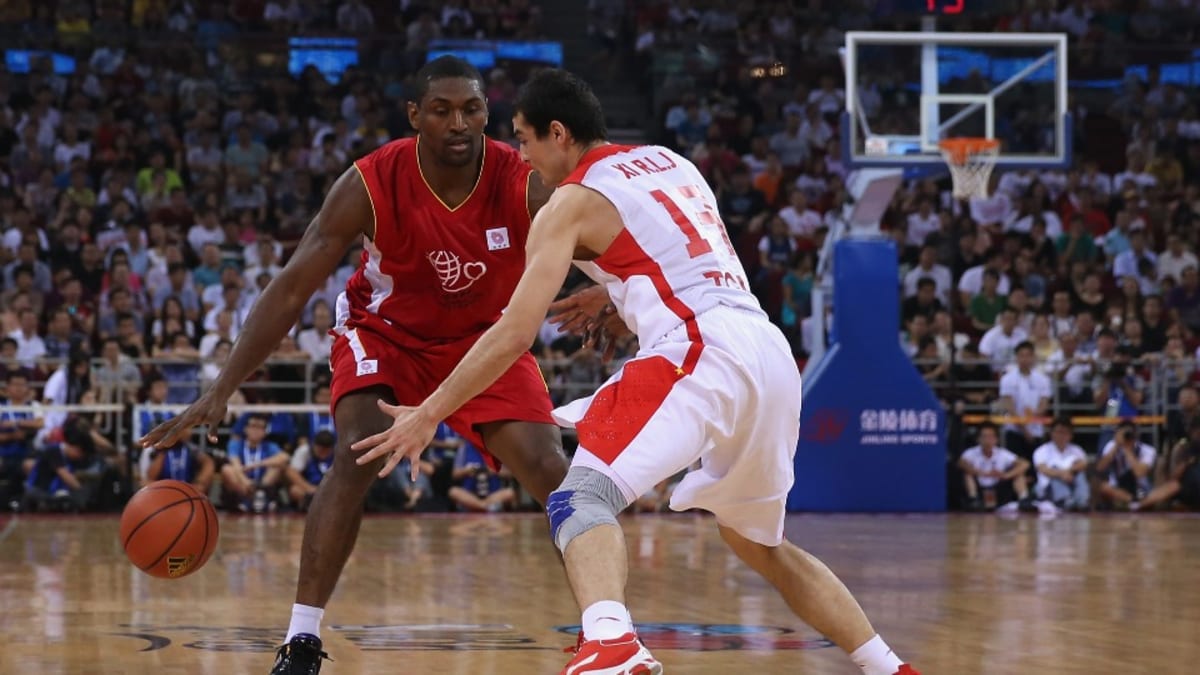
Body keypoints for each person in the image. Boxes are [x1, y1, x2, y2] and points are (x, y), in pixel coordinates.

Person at [351, 69, 918, 675]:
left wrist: (427, 413)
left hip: (701, 351)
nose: (519, 154)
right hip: (768, 354)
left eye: (523, 138)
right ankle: (887, 665)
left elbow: (514, 333)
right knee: (759, 543)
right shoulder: (669, 160)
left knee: (578, 496)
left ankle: (613, 643)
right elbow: (676, 251)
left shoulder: (567, 204)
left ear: (559, 133)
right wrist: (615, 296)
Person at [139, 56, 570, 674]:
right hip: (386, 335)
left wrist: (612, 293)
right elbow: (292, 287)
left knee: (554, 471)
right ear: (415, 117)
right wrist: (224, 385)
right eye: (442, 110)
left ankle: (606, 629)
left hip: (484, 344)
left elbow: (603, 237)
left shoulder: (524, 179)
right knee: (356, 450)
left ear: (485, 114)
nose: (459, 123)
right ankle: (303, 639)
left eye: (471, 109)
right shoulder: (370, 182)